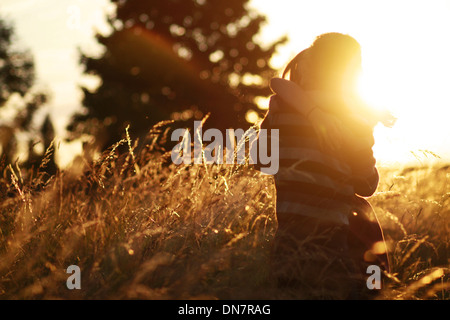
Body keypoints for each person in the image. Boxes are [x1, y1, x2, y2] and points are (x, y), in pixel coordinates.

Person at [257, 33, 395, 299]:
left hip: (288, 246)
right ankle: (378, 287)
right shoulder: (353, 119)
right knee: (371, 281)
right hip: (337, 245)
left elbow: (262, 160)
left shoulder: (280, 109)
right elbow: (367, 185)